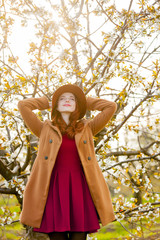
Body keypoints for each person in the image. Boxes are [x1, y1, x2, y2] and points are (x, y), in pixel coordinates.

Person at [18, 84, 117, 240]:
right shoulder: (44, 129)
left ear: (77, 104)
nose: (67, 101)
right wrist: (47, 102)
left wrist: (84, 101)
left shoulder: (87, 128)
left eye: (72, 99)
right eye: (62, 98)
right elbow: (23, 105)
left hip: (80, 188)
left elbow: (110, 106)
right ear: (56, 104)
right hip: (53, 189)